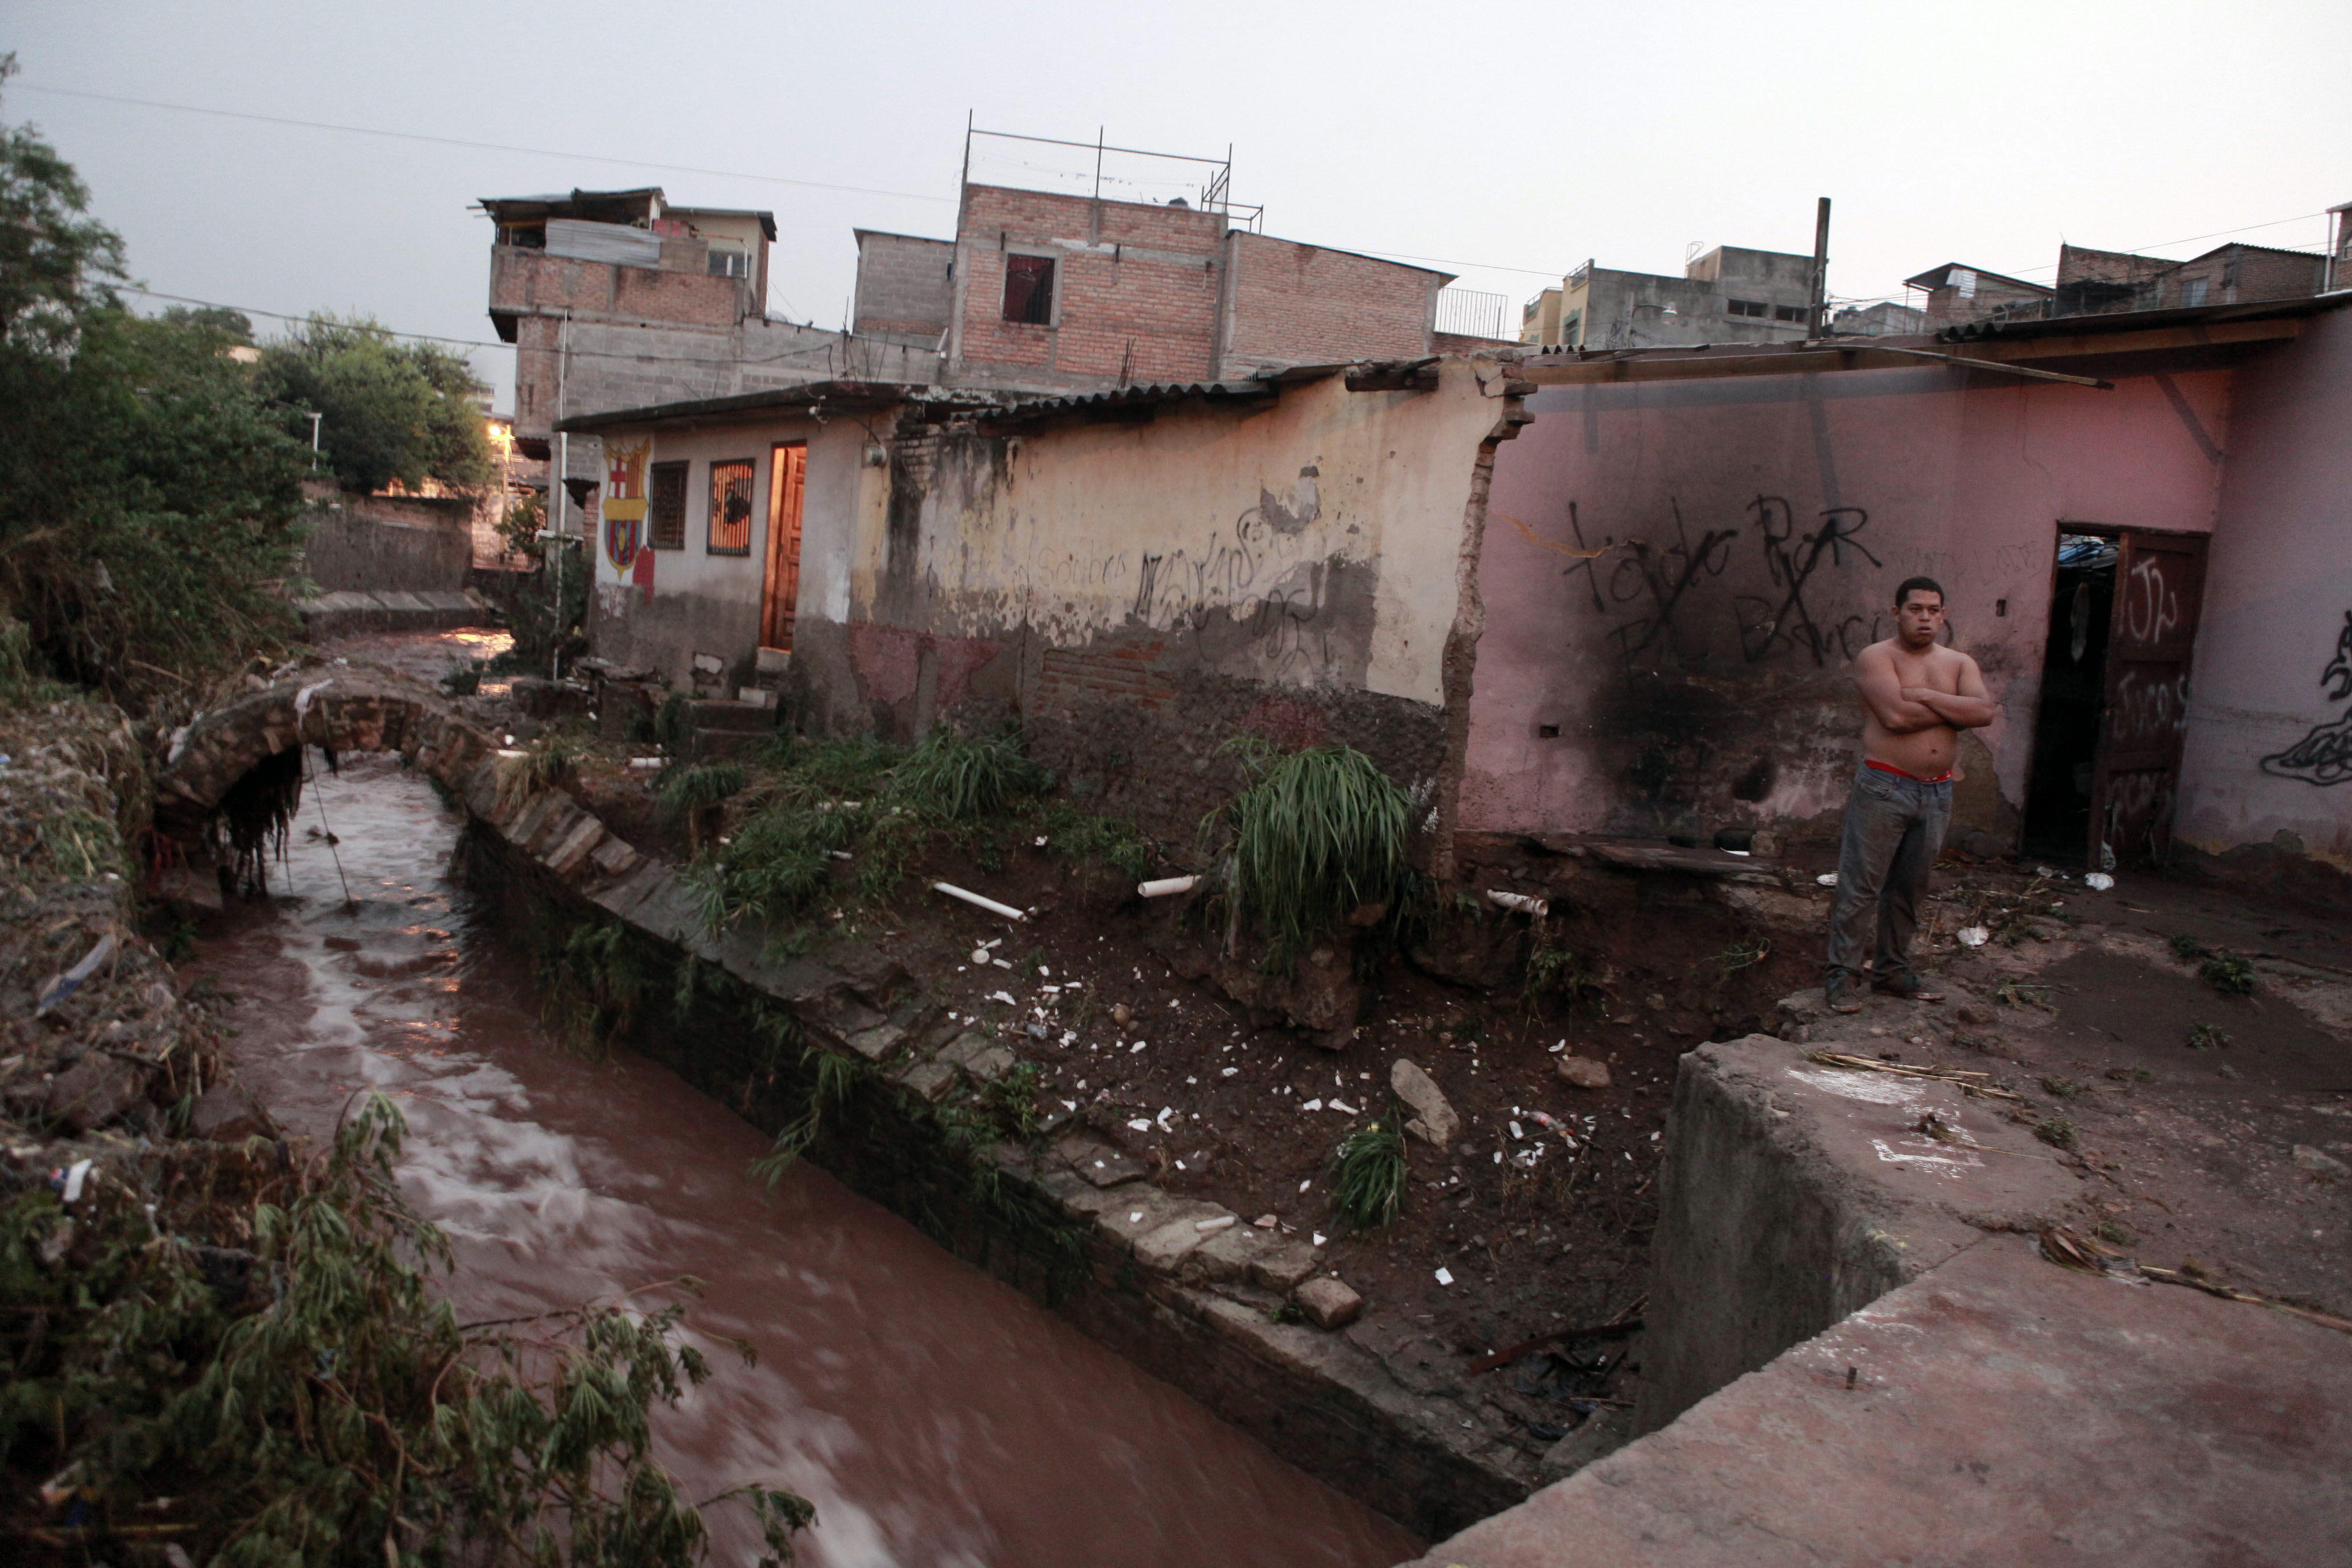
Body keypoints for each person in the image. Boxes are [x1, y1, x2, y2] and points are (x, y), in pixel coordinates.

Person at [1825, 577, 1999, 1013]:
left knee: (1910, 887)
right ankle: (1843, 976)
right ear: (1896, 611)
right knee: (1862, 886)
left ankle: (1891, 971)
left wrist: (1923, 694)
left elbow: (1984, 712)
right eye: (1916, 609)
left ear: (1943, 614)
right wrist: (1951, 708)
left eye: (1933, 610)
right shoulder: (1877, 657)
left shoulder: (1959, 662)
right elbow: (1896, 717)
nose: (1925, 618)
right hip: (1885, 785)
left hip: (1937, 791)